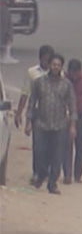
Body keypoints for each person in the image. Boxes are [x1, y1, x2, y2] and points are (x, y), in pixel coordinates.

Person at [24, 54, 76, 194]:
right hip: (41, 124)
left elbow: (72, 106)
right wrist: (28, 122)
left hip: (59, 126)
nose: (55, 67)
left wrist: (72, 126)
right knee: (40, 152)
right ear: (49, 65)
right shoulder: (39, 82)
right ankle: (41, 174)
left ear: (61, 67)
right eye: (53, 64)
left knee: (57, 156)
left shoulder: (67, 85)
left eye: (58, 65)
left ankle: (52, 184)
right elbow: (32, 103)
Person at [15, 44, 53, 179]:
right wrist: (19, 113)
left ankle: (47, 171)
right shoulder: (32, 73)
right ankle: (37, 172)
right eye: (45, 59)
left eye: (49, 60)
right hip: (37, 112)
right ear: (40, 58)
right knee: (38, 144)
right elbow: (25, 93)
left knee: (51, 144)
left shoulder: (57, 73)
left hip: (53, 113)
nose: (47, 63)